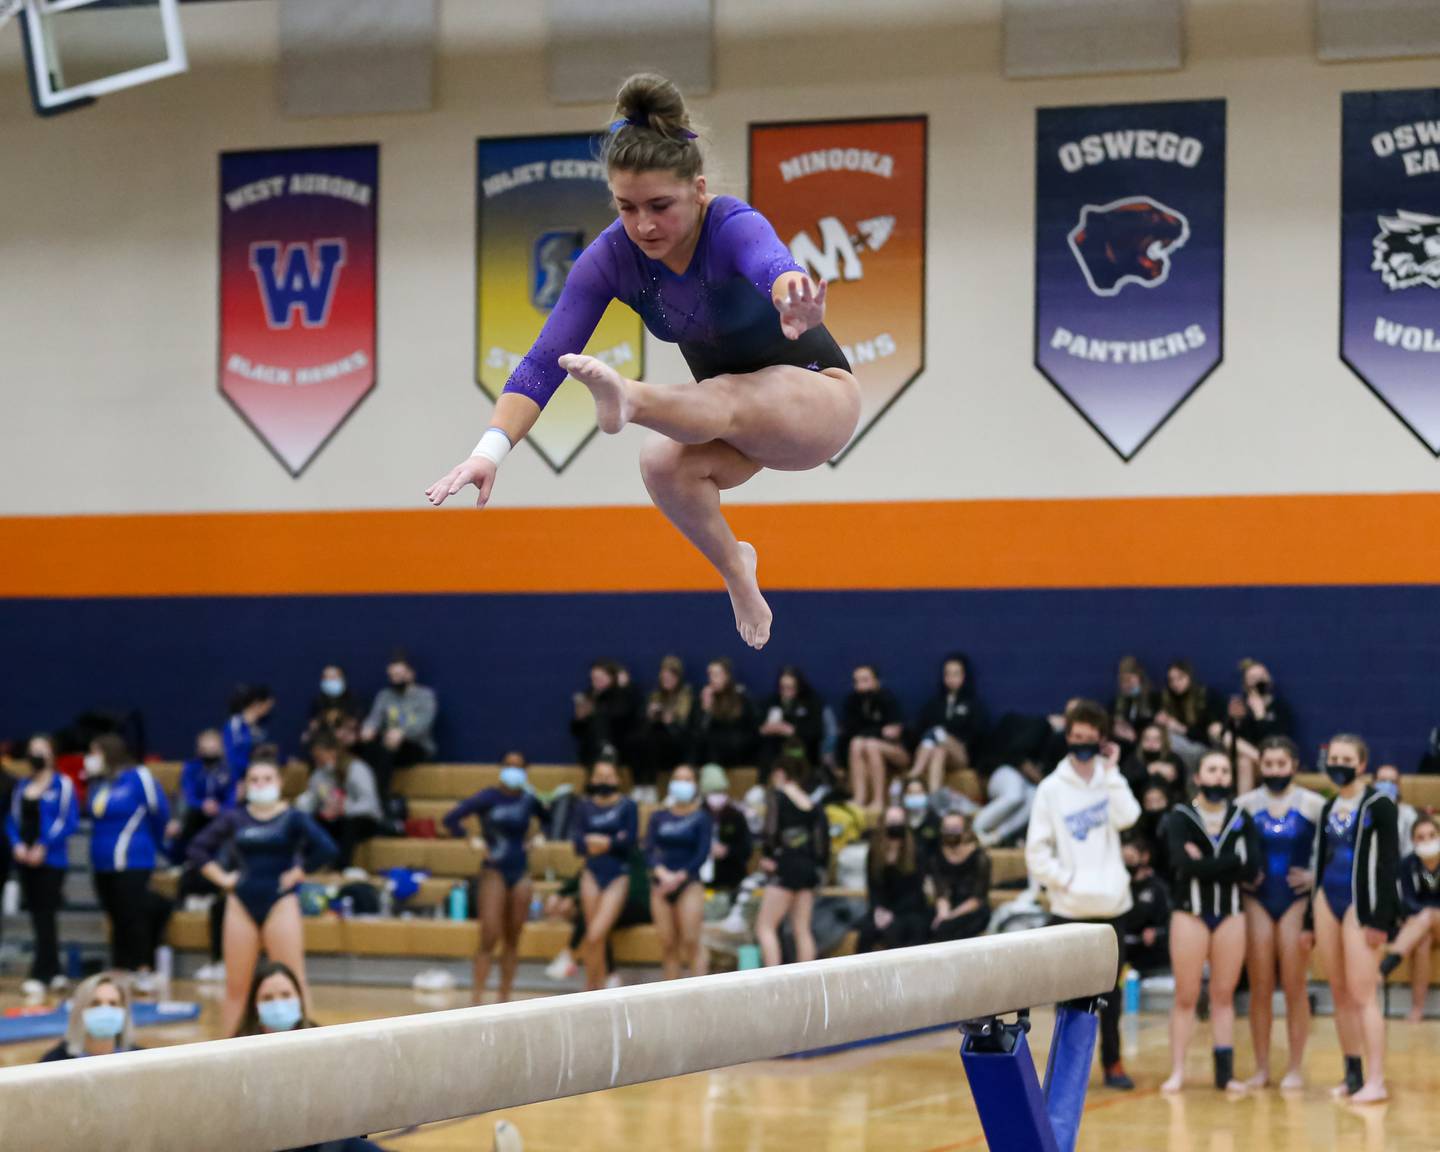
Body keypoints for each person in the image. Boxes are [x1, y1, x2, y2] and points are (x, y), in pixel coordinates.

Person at [426, 72, 860, 652]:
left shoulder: (730, 224)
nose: (644, 225)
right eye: (627, 208)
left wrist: (791, 300)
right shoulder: (610, 258)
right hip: (732, 429)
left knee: (723, 396)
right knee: (661, 464)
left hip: (816, 400)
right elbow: (540, 363)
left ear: (698, 189)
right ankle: (738, 571)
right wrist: (488, 452)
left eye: (661, 206)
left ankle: (630, 399)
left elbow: (773, 263)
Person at [1024, 700, 1140, 1090]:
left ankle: (1114, 1063)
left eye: (1091, 738)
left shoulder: (1109, 781)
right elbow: (1036, 851)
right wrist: (1064, 880)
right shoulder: (1051, 790)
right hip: (1069, 907)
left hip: (1111, 906)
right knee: (1067, 999)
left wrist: (1112, 772)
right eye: (1077, 737)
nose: (1083, 743)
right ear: (1068, 738)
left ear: (1102, 740)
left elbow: (1129, 816)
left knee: (1113, 995)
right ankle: (1068, 1071)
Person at [188, 747, 339, 1036]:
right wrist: (222, 879)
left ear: (279, 782)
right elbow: (196, 849)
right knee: (237, 986)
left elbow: (328, 848)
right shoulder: (235, 818)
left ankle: (305, 1041)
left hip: (280, 901)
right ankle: (233, 1049)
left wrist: (300, 871)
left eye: (267, 778)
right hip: (241, 902)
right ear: (245, 785)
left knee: (292, 981)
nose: (261, 785)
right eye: (254, 780)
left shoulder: (293, 818)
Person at [1160, 751, 1261, 1095]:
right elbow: (1180, 865)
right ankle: (1177, 1072)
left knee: (1223, 996)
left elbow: (1252, 870)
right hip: (1190, 912)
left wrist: (1206, 862)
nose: (1218, 776)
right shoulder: (1181, 816)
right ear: (1198, 776)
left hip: (1230, 914)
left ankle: (1225, 1074)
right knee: (1186, 996)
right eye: (1211, 770)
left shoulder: (1241, 817)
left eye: (1224, 771)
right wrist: (1230, 861)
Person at [1308, 732, 1400, 1104]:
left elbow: (1390, 864)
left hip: (1364, 906)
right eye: (1335, 759)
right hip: (1326, 899)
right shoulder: (1329, 807)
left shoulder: (1380, 805)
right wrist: (1307, 919)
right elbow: (1321, 860)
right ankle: (1353, 1075)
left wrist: (1382, 919)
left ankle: (1377, 1080)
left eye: (1348, 760)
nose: (1340, 766)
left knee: (1363, 995)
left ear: (1362, 765)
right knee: (1340, 993)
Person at [1236, 735, 1324, 1090]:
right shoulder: (1244, 805)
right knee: (1259, 986)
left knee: (1294, 985)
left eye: (1280, 764)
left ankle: (1295, 1067)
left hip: (1295, 899)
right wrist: (1244, 873)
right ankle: (1260, 1068)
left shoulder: (1313, 804)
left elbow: (1335, 848)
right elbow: (1230, 848)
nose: (1274, 770)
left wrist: (1315, 875)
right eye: (1268, 764)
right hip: (1257, 898)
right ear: (1261, 766)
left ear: (1294, 766)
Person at [441, 759, 547, 1004]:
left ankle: (504, 998)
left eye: (519, 766)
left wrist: (539, 837)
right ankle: (476, 999)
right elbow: (451, 819)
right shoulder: (488, 797)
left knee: (513, 937)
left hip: (520, 870)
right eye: (510, 765)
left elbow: (550, 818)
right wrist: (470, 839)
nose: (514, 770)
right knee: (489, 935)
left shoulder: (529, 799)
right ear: (502, 769)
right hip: (494, 870)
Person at [87, 734, 171, 976]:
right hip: (102, 861)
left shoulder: (139, 777)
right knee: (115, 916)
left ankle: (142, 967)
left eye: (94, 753)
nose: (90, 758)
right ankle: (120, 967)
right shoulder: (99, 783)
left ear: (109, 752)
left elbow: (159, 812)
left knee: (132, 914)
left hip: (133, 858)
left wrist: (157, 843)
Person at [6, 734, 78, 998]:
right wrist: (17, 845)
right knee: (37, 916)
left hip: (51, 859)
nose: (36, 754)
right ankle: (55, 971)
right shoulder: (22, 785)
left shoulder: (63, 784)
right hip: (26, 859)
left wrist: (44, 845)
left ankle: (41, 972)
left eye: (42, 750)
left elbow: (67, 820)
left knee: (47, 914)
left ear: (52, 754)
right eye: (32, 750)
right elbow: (12, 821)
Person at [755, 745, 830, 966]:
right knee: (802, 929)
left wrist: (769, 856)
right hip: (807, 867)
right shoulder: (813, 804)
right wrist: (818, 867)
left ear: (779, 773)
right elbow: (822, 843)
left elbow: (771, 830)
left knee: (765, 926)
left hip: (785, 866)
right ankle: (807, 982)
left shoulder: (777, 797)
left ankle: (774, 979)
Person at [571, 755, 640, 990]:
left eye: (608, 776)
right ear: (591, 779)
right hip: (591, 873)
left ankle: (591, 988)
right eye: (599, 776)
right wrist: (609, 841)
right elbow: (578, 844)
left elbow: (629, 842)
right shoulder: (583, 806)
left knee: (593, 934)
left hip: (617, 875)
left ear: (618, 778)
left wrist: (603, 843)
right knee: (597, 939)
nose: (604, 779)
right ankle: (595, 988)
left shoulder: (628, 806)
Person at [645, 765, 713, 980]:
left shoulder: (701, 817)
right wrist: (661, 872)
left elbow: (702, 853)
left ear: (695, 785)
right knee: (667, 944)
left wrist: (680, 876)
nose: (682, 783)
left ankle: (701, 993)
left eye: (688, 779)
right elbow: (648, 848)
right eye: (678, 778)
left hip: (688, 882)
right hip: (661, 883)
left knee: (691, 941)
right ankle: (671, 997)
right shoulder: (658, 816)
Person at [296, 731, 384, 870]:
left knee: (351, 823)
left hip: (363, 819)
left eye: (320, 756)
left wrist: (343, 809)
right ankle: (305, 865)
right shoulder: (319, 774)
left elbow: (370, 804)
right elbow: (313, 799)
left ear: (332, 752)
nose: (318, 761)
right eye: (315, 758)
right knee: (310, 822)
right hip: (335, 819)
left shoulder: (356, 768)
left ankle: (341, 867)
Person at [1382, 813, 1440, 1022]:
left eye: (1432, 835)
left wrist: (1426, 914)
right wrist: (1421, 916)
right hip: (1422, 924)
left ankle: (1389, 963)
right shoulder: (1408, 864)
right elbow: (1406, 901)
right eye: (1421, 837)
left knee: (1428, 914)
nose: (1427, 840)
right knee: (1422, 942)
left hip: (1431, 919)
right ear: (1414, 841)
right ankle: (1417, 1009)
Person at [361, 653, 438, 798]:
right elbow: (374, 718)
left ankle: (380, 798)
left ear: (410, 674)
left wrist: (403, 732)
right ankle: (369, 797)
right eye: (392, 676)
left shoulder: (425, 696)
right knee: (371, 748)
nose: (395, 679)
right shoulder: (385, 695)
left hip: (415, 745)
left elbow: (423, 725)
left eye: (399, 675)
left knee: (386, 749)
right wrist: (369, 728)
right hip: (388, 745)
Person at [857, 805, 929, 951]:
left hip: (910, 909)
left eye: (898, 822)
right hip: (883, 908)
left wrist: (892, 914)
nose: (894, 827)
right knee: (866, 931)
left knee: (896, 930)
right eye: (891, 822)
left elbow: (916, 891)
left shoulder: (916, 850)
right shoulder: (875, 851)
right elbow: (873, 887)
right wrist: (878, 910)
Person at [909, 654, 984, 795]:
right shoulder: (934, 703)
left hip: (961, 754)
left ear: (964, 676)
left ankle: (914, 774)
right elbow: (919, 728)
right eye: (947, 674)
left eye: (956, 674)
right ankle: (934, 796)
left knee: (936, 732)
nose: (951, 678)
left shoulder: (973, 704)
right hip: (937, 751)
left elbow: (977, 733)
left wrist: (951, 739)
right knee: (939, 751)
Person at [841, 664, 909, 815]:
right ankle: (859, 798)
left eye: (865, 680)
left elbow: (894, 731)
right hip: (865, 744)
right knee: (856, 743)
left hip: (896, 752)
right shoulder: (853, 701)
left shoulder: (887, 698)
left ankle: (878, 800)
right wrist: (878, 731)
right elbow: (851, 730)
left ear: (876, 681)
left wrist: (874, 732)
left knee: (870, 744)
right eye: (857, 681)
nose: (861, 685)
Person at [627, 655, 693, 797]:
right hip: (655, 743)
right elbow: (642, 724)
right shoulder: (654, 696)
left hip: (677, 745)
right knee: (637, 739)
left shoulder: (687, 697)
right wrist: (649, 716)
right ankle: (640, 784)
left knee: (654, 740)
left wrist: (670, 722)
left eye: (671, 677)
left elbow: (688, 731)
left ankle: (650, 785)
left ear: (678, 678)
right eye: (664, 677)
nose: (667, 680)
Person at [39, 973, 140, 1062]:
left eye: (113, 1003)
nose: (105, 1010)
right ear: (79, 1009)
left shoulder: (141, 1059)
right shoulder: (54, 1062)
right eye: (95, 1003)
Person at [928, 810, 991, 943]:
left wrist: (951, 916)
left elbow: (977, 898)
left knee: (946, 930)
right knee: (926, 925)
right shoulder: (936, 856)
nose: (950, 832)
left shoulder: (980, 857)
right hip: (948, 906)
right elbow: (941, 891)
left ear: (966, 831)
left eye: (955, 828)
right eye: (947, 829)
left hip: (972, 910)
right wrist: (943, 914)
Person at [570, 660, 641, 768]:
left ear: (612, 678)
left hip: (619, 747)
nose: (597, 682)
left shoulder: (623, 694)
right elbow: (577, 731)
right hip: (592, 750)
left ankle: (606, 750)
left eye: (601, 678)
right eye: (594, 679)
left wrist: (595, 710)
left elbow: (623, 718)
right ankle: (603, 750)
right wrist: (580, 718)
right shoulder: (589, 695)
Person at [689, 657, 759, 768]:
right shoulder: (703, 699)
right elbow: (697, 734)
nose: (712, 679)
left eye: (716, 675)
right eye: (710, 675)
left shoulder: (741, 698)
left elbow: (752, 731)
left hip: (736, 751)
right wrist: (705, 711)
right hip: (710, 755)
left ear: (727, 677)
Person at [1118, 834, 1170, 975]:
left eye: (1129, 859)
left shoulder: (1158, 888)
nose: (1126, 864)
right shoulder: (1117, 886)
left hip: (1150, 959)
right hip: (1121, 954)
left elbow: (1170, 924)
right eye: (1122, 860)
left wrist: (1157, 933)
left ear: (1144, 856)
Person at [757, 665, 825, 770]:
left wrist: (791, 730)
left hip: (802, 747)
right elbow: (758, 727)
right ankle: (763, 783)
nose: (786, 692)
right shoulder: (772, 701)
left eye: (790, 687)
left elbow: (817, 731)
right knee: (768, 748)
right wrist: (765, 729)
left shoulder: (811, 702)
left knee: (796, 750)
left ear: (798, 686)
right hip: (776, 749)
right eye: (782, 687)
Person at [699, 763, 752, 895]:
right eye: (712, 792)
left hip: (732, 880)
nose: (717, 796)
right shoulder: (697, 816)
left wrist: (727, 850)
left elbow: (747, 849)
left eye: (720, 791)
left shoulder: (736, 816)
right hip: (701, 882)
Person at [1155, 660, 1219, 770]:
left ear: (1189, 677)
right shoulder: (1167, 699)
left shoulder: (1204, 697)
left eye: (1180, 678)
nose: (1175, 683)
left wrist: (1180, 728)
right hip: (1179, 749)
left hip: (1203, 748)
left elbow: (1208, 736)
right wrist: (1160, 722)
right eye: (1171, 680)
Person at [235, 960, 319, 1036]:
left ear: (299, 997)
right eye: (267, 998)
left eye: (286, 995)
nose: (278, 1006)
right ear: (254, 1004)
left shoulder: (318, 1035)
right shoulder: (238, 1043)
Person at [1109, 655, 1159, 760]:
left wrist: (1136, 735)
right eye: (1124, 681)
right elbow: (1110, 720)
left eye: (1130, 680)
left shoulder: (1153, 698)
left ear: (1139, 678)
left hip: (1146, 742)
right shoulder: (1118, 701)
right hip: (1123, 744)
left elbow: (1155, 722)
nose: (1127, 685)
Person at [303, 664, 362, 747]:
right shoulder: (318, 700)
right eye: (326, 678)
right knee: (306, 738)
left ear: (342, 679)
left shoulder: (352, 699)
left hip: (346, 733)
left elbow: (354, 722)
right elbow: (313, 724)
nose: (330, 681)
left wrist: (343, 729)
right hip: (324, 734)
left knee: (351, 738)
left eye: (333, 678)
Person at [224, 685, 276, 775]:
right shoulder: (234, 726)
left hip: (258, 773)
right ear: (256, 704)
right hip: (240, 777)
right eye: (267, 706)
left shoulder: (259, 729)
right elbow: (231, 758)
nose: (268, 711)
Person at [1373, 763, 1418, 855]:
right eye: (1383, 780)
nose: (1387, 785)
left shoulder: (1408, 813)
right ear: (1374, 783)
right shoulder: (1365, 811)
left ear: (1399, 786)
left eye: (1392, 782)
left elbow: (1410, 850)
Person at [900, 778, 942, 869]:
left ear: (926, 794)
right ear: (904, 796)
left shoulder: (935, 820)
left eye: (919, 793)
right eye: (911, 793)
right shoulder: (899, 820)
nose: (915, 796)